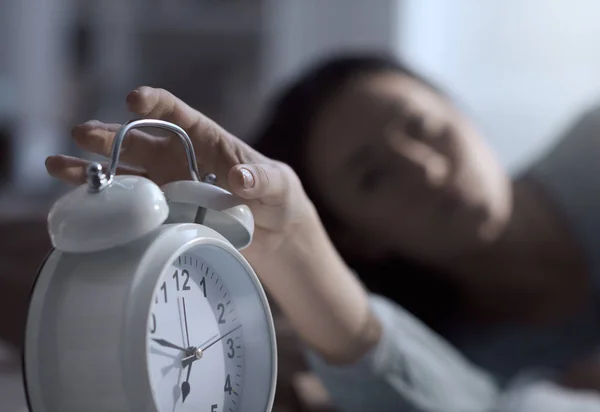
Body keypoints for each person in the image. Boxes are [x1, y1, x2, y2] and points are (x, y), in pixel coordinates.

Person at [44, 53, 600, 411]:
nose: (427, 169)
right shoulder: (448, 363)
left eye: (422, 126)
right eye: (374, 176)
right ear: (362, 238)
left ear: (463, 113)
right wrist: (288, 241)